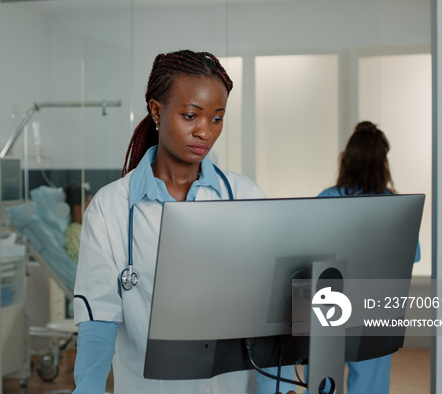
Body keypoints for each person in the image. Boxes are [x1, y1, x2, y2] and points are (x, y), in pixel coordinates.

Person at [71, 49, 298, 394]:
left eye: (217, 118)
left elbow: (268, 317)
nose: (205, 132)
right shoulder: (110, 208)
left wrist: (278, 391)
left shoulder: (246, 197)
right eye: (191, 116)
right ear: (156, 110)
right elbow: (99, 320)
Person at [317, 120, 421, 394]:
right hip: (377, 308)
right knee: (371, 389)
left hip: (329, 307)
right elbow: (409, 259)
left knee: (323, 384)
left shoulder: (326, 199)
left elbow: (309, 258)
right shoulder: (396, 207)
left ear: (345, 161)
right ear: (382, 164)